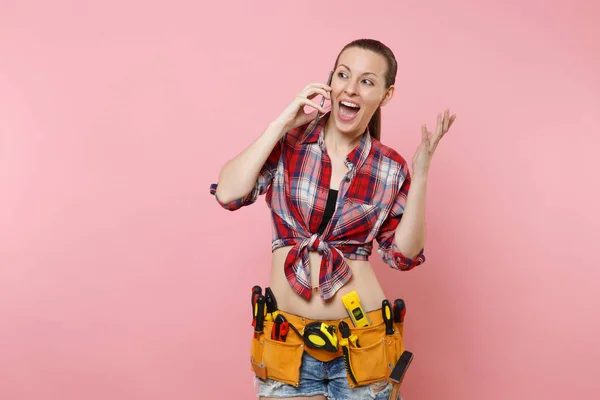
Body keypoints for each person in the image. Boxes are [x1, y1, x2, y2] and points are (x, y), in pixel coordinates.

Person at [210, 38, 456, 400]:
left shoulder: (389, 166)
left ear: (386, 95)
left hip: (363, 344)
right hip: (286, 343)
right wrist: (282, 123)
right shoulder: (291, 141)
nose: (351, 88)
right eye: (343, 75)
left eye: (367, 81)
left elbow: (402, 256)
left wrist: (419, 176)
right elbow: (228, 194)